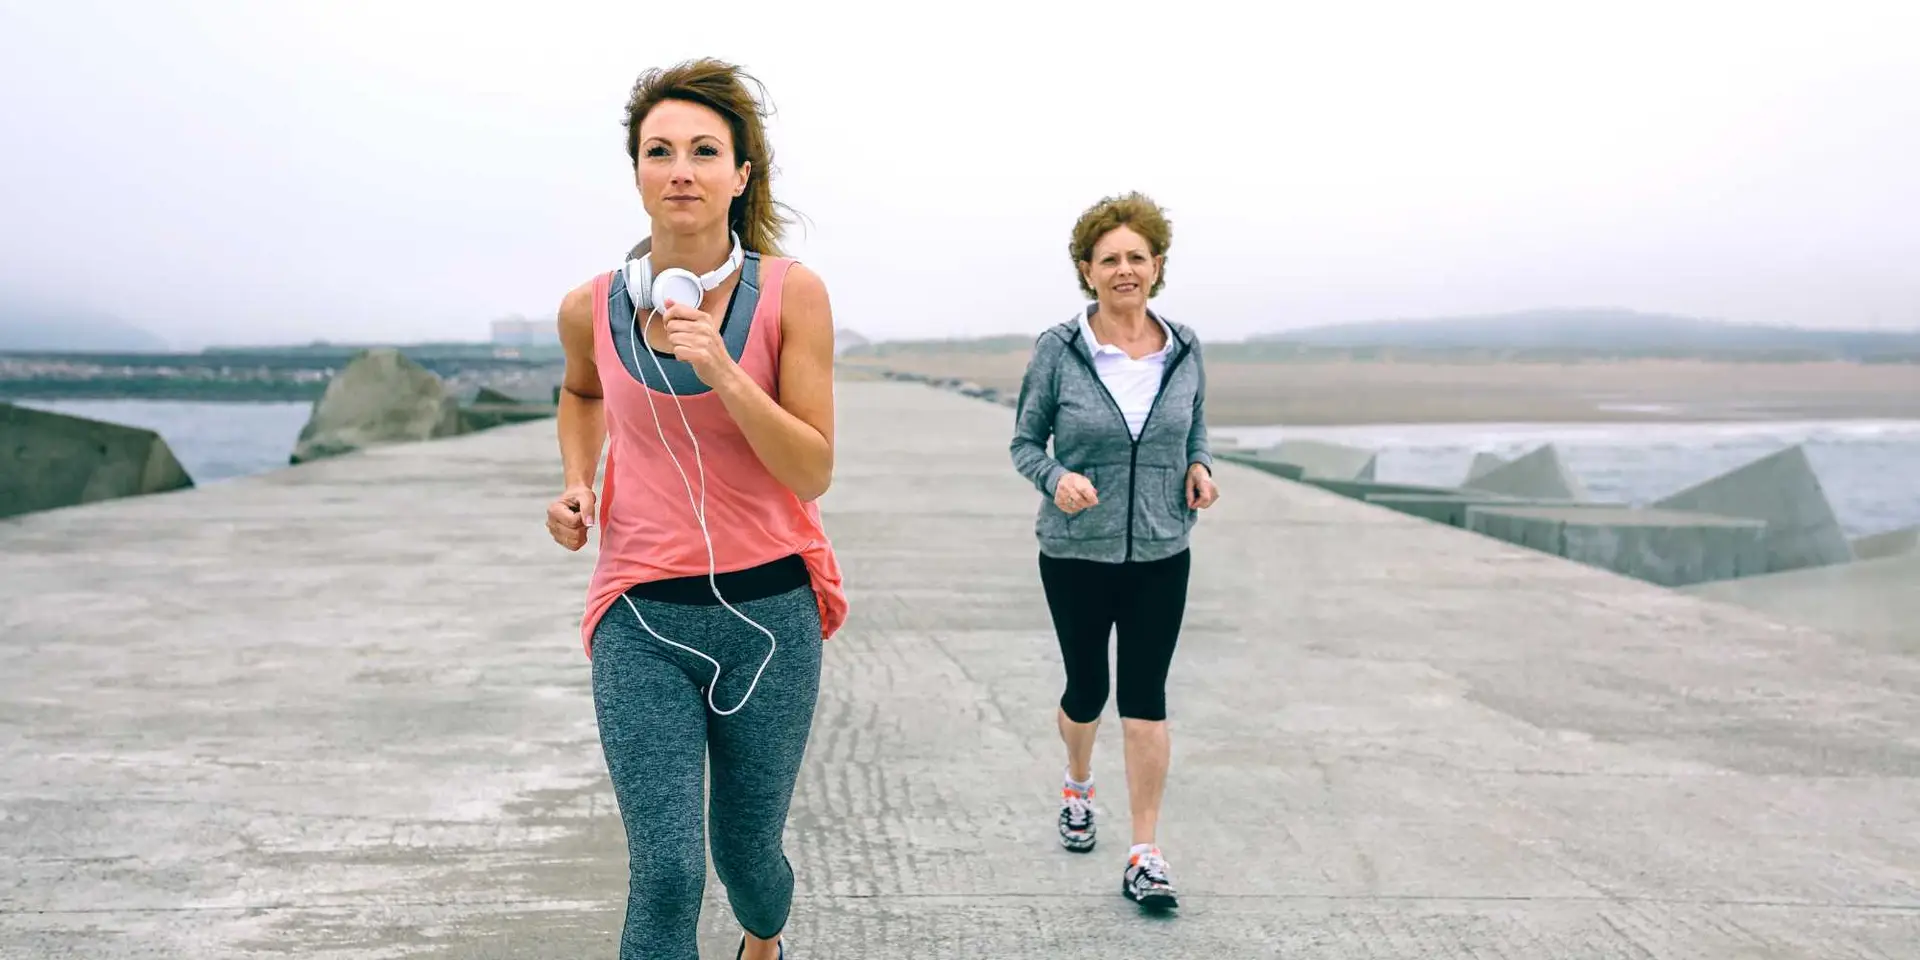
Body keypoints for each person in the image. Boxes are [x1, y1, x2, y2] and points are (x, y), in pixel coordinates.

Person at [544, 57, 845, 960]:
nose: (682, 168)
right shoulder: (587, 306)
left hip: (769, 619)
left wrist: (717, 365)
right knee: (669, 875)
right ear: (636, 173)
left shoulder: (793, 294)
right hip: (640, 615)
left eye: (705, 151)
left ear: (740, 175)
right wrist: (578, 481)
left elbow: (813, 467)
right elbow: (581, 393)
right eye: (660, 151)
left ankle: (766, 935)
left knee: (748, 862)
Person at [1009, 191, 1220, 911]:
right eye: (1110, 259)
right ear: (1086, 270)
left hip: (1164, 550)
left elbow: (1195, 432)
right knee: (1086, 692)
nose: (1124, 269)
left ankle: (1145, 852)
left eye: (1137, 257)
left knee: (1146, 700)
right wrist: (1058, 476)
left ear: (1156, 265)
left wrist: (1200, 469)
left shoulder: (1185, 348)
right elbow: (1024, 443)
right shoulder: (1060, 351)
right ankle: (1077, 782)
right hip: (1074, 553)